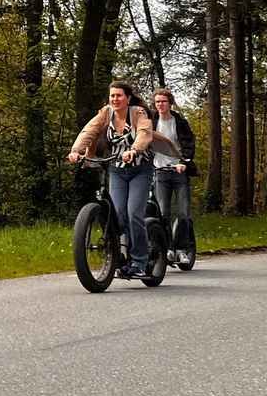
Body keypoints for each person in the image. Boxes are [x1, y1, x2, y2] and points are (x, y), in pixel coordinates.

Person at [67, 81, 157, 278]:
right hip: (117, 169)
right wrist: (76, 150)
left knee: (134, 213)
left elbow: (144, 133)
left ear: (128, 98)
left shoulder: (138, 113)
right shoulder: (106, 114)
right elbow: (89, 131)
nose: (115, 99)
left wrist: (134, 149)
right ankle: (120, 256)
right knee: (117, 214)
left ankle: (140, 261)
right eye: (112, 96)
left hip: (140, 169)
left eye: (119, 95)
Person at [145, 88, 197, 265]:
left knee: (183, 213)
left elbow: (189, 144)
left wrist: (184, 161)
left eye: (163, 101)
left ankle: (181, 249)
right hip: (159, 172)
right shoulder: (150, 121)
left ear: (170, 103)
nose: (160, 104)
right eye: (157, 101)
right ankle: (168, 249)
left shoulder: (180, 122)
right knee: (163, 213)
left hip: (179, 172)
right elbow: (142, 141)